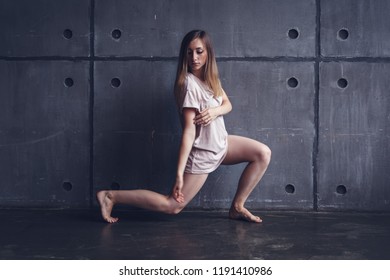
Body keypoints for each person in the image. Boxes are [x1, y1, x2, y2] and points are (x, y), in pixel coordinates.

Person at [97, 30, 271, 223]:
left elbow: (228, 104)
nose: (194, 58)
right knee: (172, 206)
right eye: (189, 52)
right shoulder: (189, 84)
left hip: (221, 144)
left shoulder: (211, 79)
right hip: (203, 151)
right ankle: (110, 196)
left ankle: (237, 207)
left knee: (263, 153)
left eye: (199, 51)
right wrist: (179, 174)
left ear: (208, 53)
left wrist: (215, 111)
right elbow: (189, 131)